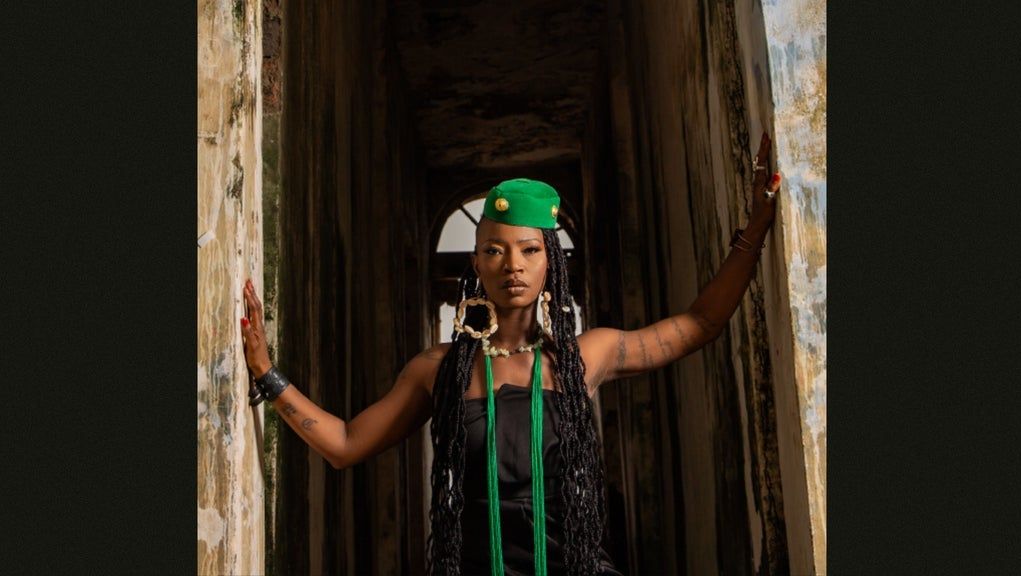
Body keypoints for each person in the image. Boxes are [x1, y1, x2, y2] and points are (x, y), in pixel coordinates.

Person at [239, 132, 781, 576]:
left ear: (551, 261)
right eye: (494, 251)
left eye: (529, 249)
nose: (512, 265)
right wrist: (267, 373)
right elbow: (345, 445)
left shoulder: (585, 356)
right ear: (477, 263)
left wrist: (754, 228)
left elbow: (701, 323)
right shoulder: (439, 369)